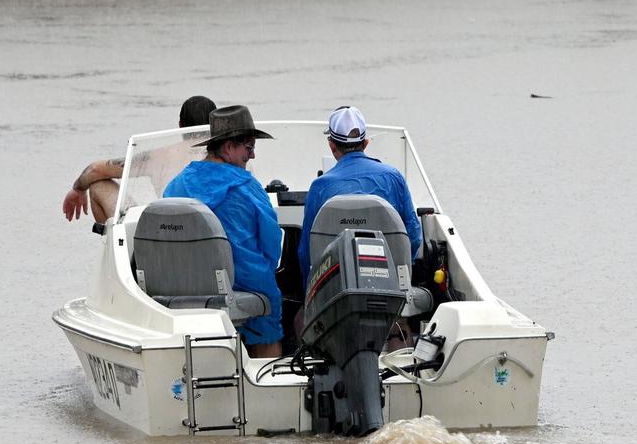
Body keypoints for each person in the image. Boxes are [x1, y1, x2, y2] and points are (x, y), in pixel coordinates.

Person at [163, 105, 284, 358]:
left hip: (184, 286)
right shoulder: (247, 186)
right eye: (249, 147)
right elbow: (272, 245)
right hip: (243, 281)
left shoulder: (175, 185)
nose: (252, 156)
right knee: (270, 307)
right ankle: (267, 374)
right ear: (229, 148)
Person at [297, 106, 423, 280]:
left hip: (335, 291)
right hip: (392, 290)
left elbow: (307, 252)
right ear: (365, 143)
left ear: (332, 146)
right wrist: (402, 276)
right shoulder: (394, 178)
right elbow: (414, 237)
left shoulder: (320, 187)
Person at [62, 95, 216, 223]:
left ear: (180, 125)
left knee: (97, 184)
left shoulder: (159, 156)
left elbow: (95, 170)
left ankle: (117, 249)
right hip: (211, 229)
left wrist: (78, 189)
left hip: (165, 229)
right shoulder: (227, 156)